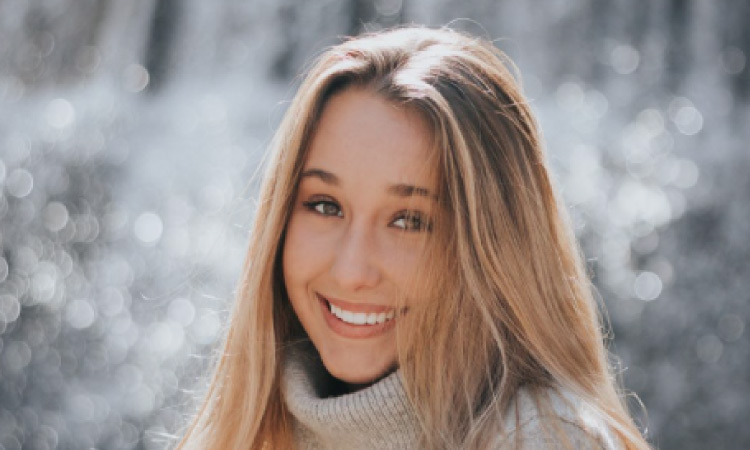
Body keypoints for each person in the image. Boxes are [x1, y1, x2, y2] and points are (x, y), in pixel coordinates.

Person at [177, 26, 650, 449]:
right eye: (325, 206)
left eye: (409, 220)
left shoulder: (544, 438)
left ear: (493, 249)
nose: (351, 271)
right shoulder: (248, 432)